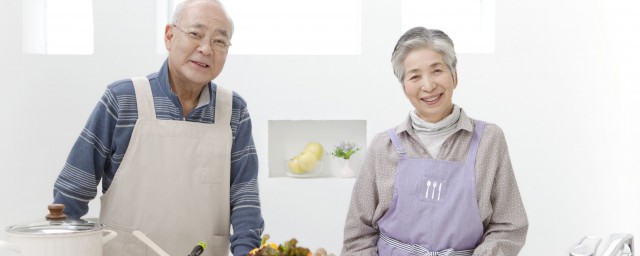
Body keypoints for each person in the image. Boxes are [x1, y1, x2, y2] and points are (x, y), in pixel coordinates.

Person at [51, 0, 264, 255]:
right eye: (195, 34)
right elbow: (73, 191)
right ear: (169, 36)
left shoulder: (234, 111)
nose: (206, 48)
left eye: (219, 41)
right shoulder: (122, 99)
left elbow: (245, 200)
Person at [342, 27, 528, 255]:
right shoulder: (383, 146)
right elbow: (357, 234)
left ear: (454, 76)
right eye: (415, 76)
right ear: (404, 87)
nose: (428, 86)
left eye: (436, 71)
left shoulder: (489, 140)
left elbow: (509, 226)